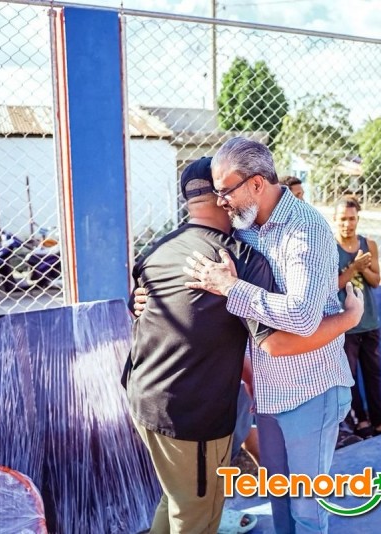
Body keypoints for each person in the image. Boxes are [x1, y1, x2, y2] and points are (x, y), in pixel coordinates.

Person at [123, 157, 362, 534]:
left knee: (179, 497)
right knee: (197, 511)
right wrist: (349, 319)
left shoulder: (159, 249)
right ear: (222, 197)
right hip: (190, 413)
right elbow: (277, 343)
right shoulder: (236, 255)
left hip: (143, 396)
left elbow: (148, 302)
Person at [185, 137, 354, 534]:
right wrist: (142, 296)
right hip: (269, 392)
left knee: (307, 508)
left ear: (257, 184)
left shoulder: (305, 229)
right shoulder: (245, 226)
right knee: (280, 495)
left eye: (226, 190)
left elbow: (302, 316)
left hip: (311, 391)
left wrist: (231, 288)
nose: (221, 201)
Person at [333, 195, 381, 438]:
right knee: (350, 376)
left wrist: (364, 267)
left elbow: (376, 281)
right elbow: (333, 286)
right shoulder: (330, 247)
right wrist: (354, 267)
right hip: (345, 325)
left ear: (358, 219)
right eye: (343, 219)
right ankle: (361, 419)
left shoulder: (369, 245)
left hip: (369, 322)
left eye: (352, 219)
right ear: (335, 220)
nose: (347, 224)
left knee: (373, 372)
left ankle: (380, 418)